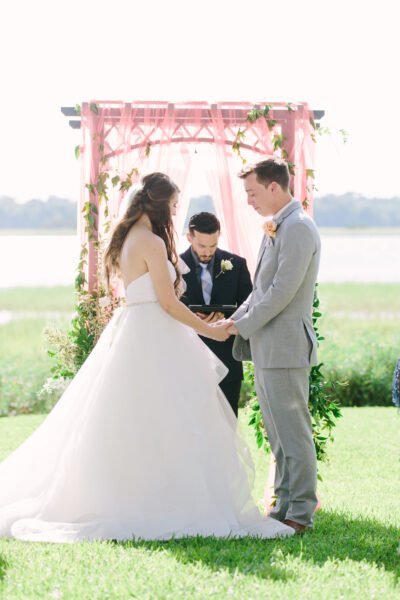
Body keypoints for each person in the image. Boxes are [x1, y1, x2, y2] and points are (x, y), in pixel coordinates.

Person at [0, 172, 294, 543]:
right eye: (172, 207)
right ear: (158, 205)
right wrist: (212, 331)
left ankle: (146, 491)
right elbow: (169, 304)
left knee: (144, 419)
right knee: (168, 417)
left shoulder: (128, 237)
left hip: (138, 331)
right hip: (152, 333)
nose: (173, 214)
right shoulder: (151, 243)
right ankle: (164, 499)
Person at [225, 157, 321, 535]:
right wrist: (235, 321)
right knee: (277, 433)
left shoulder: (297, 228)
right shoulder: (276, 228)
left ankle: (301, 512)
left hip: (286, 348)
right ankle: (282, 504)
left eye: (252, 192)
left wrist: (244, 324)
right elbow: (260, 290)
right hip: (267, 348)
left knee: (294, 432)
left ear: (273, 187)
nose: (248, 199)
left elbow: (282, 292)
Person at [180, 212, 253, 416]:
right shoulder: (173, 266)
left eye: (212, 245)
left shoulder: (236, 264)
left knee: (228, 425)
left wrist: (229, 320)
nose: (207, 251)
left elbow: (250, 305)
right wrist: (193, 320)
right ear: (189, 238)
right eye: (202, 246)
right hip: (187, 358)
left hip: (227, 358)